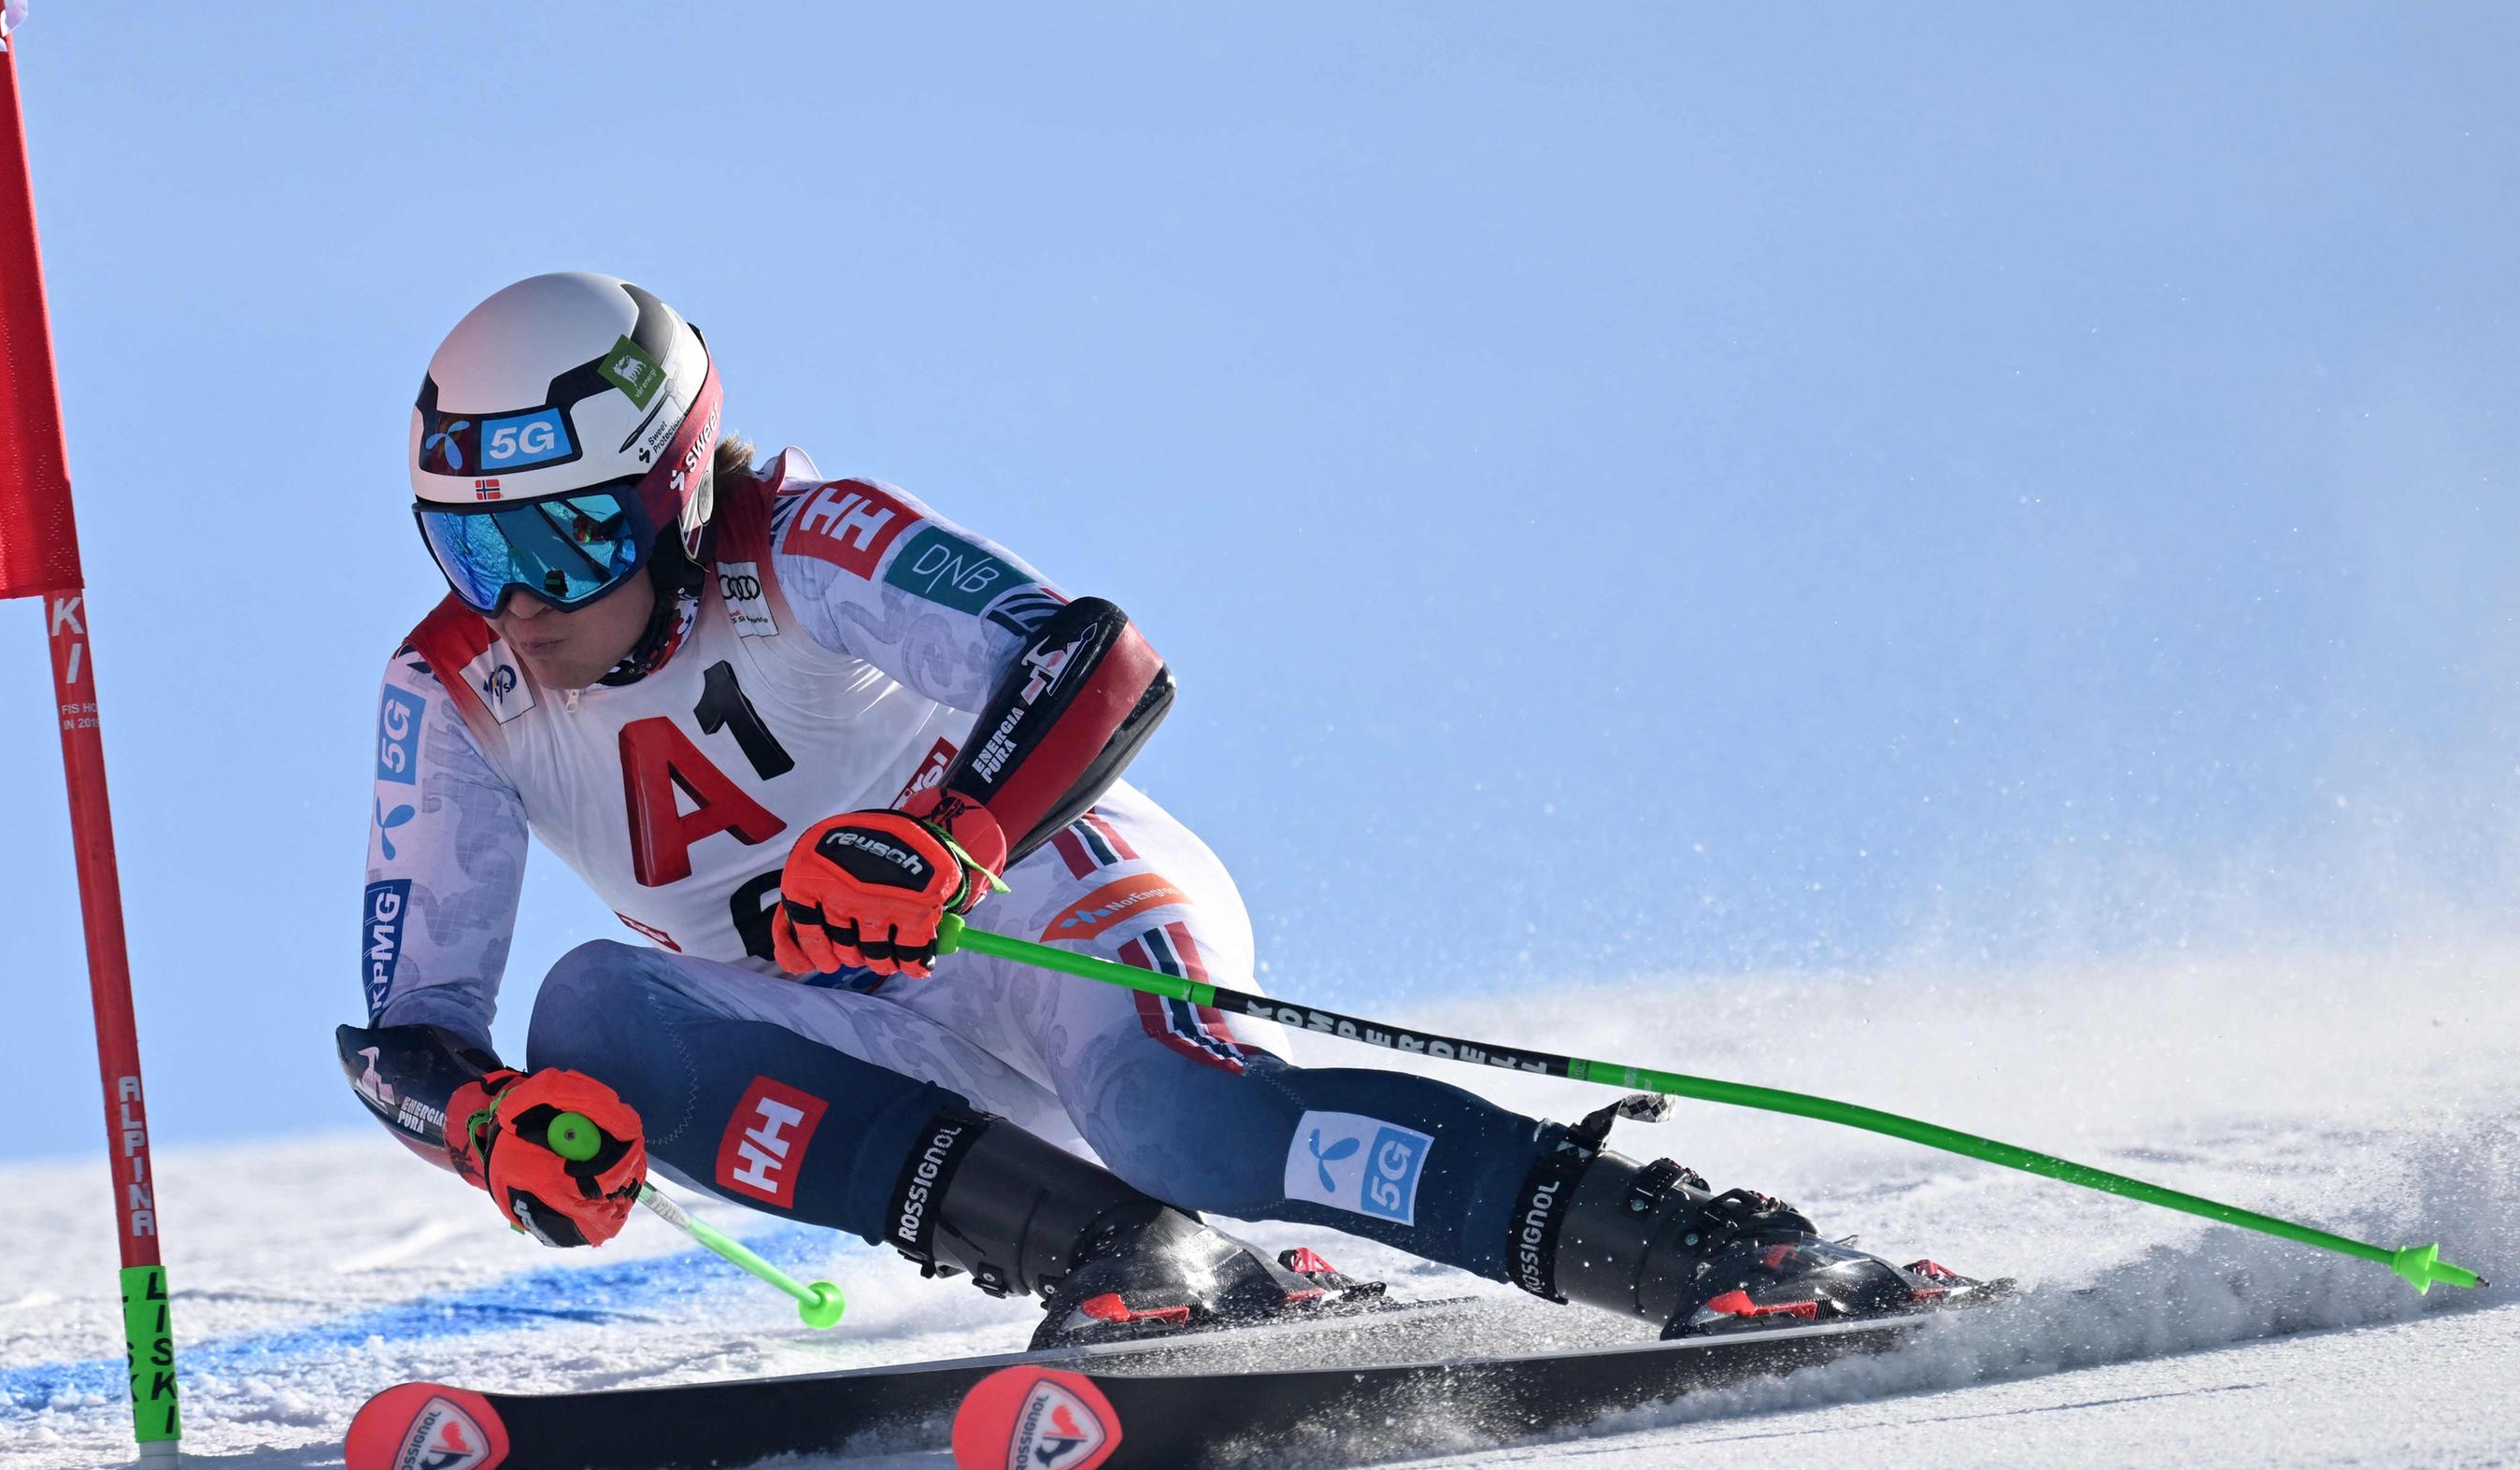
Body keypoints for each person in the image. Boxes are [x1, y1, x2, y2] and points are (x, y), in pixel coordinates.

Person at [338, 272, 1977, 1347]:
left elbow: (1094, 656)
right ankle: (1136, 1263)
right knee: (591, 1012)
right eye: (469, 551)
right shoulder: (456, 695)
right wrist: (489, 1126)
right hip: (870, 1036)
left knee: (1185, 1119)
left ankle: (1708, 1251)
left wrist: (952, 835)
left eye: (561, 543)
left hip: (1046, 904)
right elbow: (410, 1032)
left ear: (677, 488)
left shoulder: (801, 539)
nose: (519, 601)